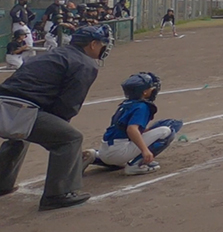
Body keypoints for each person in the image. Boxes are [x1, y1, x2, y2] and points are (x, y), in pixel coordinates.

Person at [0, 25, 112, 210]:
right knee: (70, 139)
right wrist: (59, 124)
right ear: (93, 44)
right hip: (19, 110)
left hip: (5, 104)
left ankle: (2, 183)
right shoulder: (85, 63)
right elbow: (68, 104)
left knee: (19, 136)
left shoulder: (55, 53)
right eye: (102, 44)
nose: (104, 48)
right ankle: (58, 194)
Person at [82, 72, 183, 176]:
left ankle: (95, 156)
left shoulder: (125, 104)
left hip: (105, 151)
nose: (153, 89)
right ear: (144, 92)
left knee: (120, 160)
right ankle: (136, 165)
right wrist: (145, 151)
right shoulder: (142, 107)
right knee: (167, 131)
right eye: (150, 87)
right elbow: (131, 129)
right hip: (119, 152)